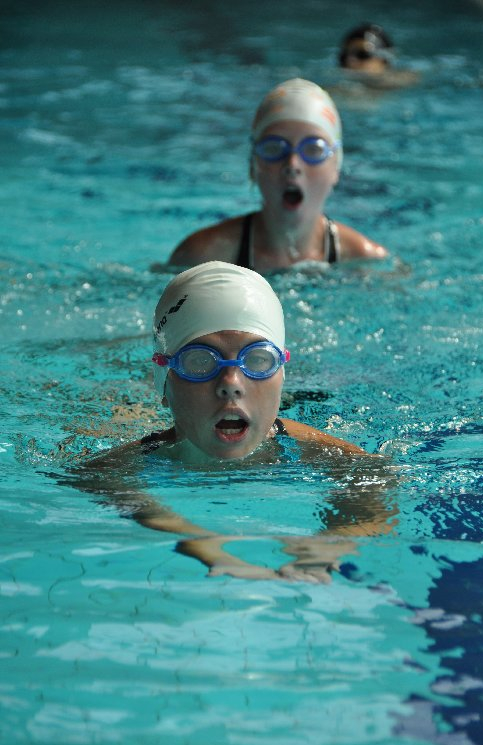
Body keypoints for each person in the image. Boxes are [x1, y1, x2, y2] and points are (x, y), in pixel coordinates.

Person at [75, 262, 393, 582]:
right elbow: (94, 478)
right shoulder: (126, 461)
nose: (231, 383)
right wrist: (199, 542)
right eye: (200, 361)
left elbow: (377, 479)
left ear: (281, 374)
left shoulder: (314, 448)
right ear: (164, 381)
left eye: (258, 360)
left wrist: (330, 543)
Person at [157, 79, 388, 274]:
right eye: (274, 148)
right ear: (252, 165)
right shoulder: (202, 257)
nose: (292, 164)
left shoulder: (366, 261)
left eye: (313, 150)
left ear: (335, 167)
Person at [338, 23, 419, 89]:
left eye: (362, 55)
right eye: (344, 57)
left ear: (383, 59)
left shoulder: (410, 81)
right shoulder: (340, 90)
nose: (350, 61)